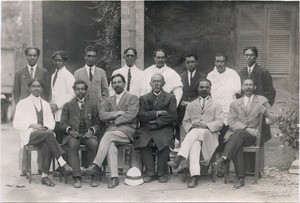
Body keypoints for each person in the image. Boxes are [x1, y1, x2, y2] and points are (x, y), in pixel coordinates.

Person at [212, 78, 279, 189]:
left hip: (251, 136)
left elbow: (273, 119)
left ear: (255, 87)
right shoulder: (234, 103)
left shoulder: (262, 100)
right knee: (238, 141)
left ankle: (223, 159)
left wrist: (265, 112)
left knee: (238, 135)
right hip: (238, 134)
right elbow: (231, 122)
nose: (248, 87)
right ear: (242, 87)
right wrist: (246, 128)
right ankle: (241, 179)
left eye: (251, 85)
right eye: (246, 85)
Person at [13, 78, 73, 187]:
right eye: (34, 86)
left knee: (47, 143)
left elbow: (51, 122)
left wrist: (45, 127)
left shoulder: (45, 104)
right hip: (29, 134)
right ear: (29, 88)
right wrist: (32, 125)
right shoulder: (22, 103)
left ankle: (44, 177)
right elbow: (16, 123)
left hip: (44, 135)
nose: (36, 88)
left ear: (41, 89)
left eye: (38, 86)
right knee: (49, 135)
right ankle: (62, 162)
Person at [167, 78, 224, 188]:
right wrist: (191, 127)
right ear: (198, 89)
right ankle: (194, 176)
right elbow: (185, 122)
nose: (204, 89)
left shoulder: (217, 105)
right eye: (201, 87)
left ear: (210, 89)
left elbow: (220, 122)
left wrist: (206, 125)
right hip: (194, 136)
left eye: (206, 87)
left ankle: (178, 158)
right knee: (194, 145)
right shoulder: (191, 105)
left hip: (210, 135)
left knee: (194, 134)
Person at [86, 73, 139, 189]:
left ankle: (96, 165)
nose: (117, 84)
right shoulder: (108, 100)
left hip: (127, 131)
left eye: (119, 82)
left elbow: (131, 115)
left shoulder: (132, 98)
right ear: (112, 85)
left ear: (124, 83)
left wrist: (114, 121)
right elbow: (102, 116)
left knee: (108, 136)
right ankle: (114, 178)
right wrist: (117, 113)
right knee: (110, 146)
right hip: (112, 134)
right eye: (114, 83)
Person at [13, 46, 50, 176]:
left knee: (42, 135)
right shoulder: (19, 73)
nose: (32, 57)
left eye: (35, 55)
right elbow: (16, 93)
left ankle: (41, 167)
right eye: (30, 55)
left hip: (39, 107)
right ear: (26, 56)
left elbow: (47, 93)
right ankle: (24, 168)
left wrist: (42, 108)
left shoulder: (44, 72)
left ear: (38, 57)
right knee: (24, 139)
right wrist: (21, 109)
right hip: (25, 109)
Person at [134, 74, 178, 183]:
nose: (156, 84)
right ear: (150, 84)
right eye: (154, 81)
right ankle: (150, 173)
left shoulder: (170, 97)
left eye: (159, 81)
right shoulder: (143, 98)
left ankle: (161, 173)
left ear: (163, 83)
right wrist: (157, 113)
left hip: (163, 127)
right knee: (143, 141)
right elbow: (141, 115)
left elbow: (172, 116)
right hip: (146, 129)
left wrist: (155, 121)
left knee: (164, 141)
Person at [239, 46, 276, 171]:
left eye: (251, 55)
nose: (249, 57)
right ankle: (244, 169)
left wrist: (265, 108)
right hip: (245, 111)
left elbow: (271, 92)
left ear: (256, 57)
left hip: (259, 111)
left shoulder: (263, 72)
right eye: (247, 55)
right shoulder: (241, 73)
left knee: (259, 138)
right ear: (244, 56)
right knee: (243, 135)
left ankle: (257, 170)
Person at [60, 80, 100, 188]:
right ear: (74, 90)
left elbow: (97, 123)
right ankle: (76, 176)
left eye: (83, 89)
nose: (80, 91)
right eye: (78, 89)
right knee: (73, 145)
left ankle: (94, 175)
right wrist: (70, 131)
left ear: (86, 90)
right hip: (72, 135)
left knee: (94, 144)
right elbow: (62, 123)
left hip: (87, 135)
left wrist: (91, 131)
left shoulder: (92, 105)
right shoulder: (68, 105)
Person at [207, 53, 241, 159]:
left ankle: (223, 166)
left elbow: (237, 95)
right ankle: (213, 165)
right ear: (214, 62)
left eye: (222, 61)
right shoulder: (210, 75)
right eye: (217, 61)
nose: (219, 64)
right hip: (215, 111)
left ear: (226, 62)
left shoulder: (233, 74)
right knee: (214, 138)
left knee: (227, 138)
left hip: (229, 111)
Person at [178, 53, 206, 143]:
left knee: (196, 138)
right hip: (182, 111)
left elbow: (204, 93)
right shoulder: (180, 76)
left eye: (193, 62)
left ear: (197, 63)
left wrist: (190, 102)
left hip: (197, 110)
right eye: (188, 62)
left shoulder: (203, 76)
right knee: (184, 138)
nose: (190, 64)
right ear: (185, 63)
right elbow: (178, 92)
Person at [50, 50, 75, 144]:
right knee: (55, 141)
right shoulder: (53, 75)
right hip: (54, 114)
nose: (57, 62)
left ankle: (63, 159)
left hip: (63, 113)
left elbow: (72, 95)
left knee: (62, 141)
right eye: (55, 60)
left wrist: (58, 105)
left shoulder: (68, 76)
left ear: (64, 62)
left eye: (60, 60)